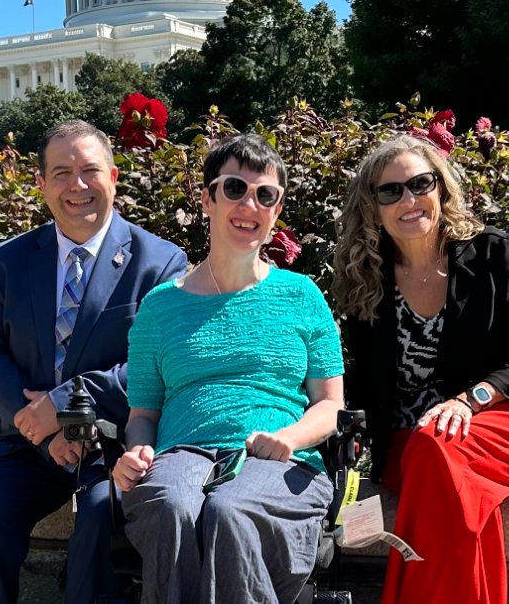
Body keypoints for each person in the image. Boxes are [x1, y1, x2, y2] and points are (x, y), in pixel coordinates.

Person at [0, 120, 188, 604]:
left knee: (99, 525)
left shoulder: (161, 262)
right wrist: (43, 427)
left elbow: (155, 364)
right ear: (41, 184)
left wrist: (64, 406)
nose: (77, 185)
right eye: (61, 172)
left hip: (113, 447)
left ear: (114, 177)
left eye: (90, 170)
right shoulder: (8, 260)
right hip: (26, 442)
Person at [113, 134, 345, 604]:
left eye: (266, 195)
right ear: (208, 199)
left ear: (277, 210)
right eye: (235, 188)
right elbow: (143, 413)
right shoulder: (160, 307)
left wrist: (291, 438)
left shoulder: (302, 296)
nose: (250, 205)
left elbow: (330, 405)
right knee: (173, 506)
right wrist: (136, 453)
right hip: (182, 452)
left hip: (280, 460)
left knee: (231, 510)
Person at [332, 134, 509, 604]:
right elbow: (368, 387)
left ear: (441, 189)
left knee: (438, 452)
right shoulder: (366, 280)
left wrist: (467, 400)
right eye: (390, 191)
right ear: (372, 208)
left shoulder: (494, 253)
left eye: (420, 184)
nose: (409, 200)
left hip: (504, 421)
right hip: (411, 446)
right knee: (438, 462)